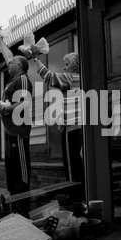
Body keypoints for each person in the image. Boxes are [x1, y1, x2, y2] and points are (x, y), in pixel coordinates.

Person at [30, 47, 85, 201]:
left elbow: (49, 76)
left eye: (66, 64)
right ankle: (82, 196)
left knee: (72, 165)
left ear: (73, 66)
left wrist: (36, 58)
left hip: (73, 128)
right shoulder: (83, 80)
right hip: (81, 126)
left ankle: (77, 199)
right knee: (77, 162)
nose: (64, 67)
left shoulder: (70, 77)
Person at [0, 29, 33, 199]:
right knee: (11, 168)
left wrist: (5, 109)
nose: (8, 64)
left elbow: (25, 102)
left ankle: (23, 202)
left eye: (12, 64)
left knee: (20, 169)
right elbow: (8, 56)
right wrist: (0, 40)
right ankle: (14, 201)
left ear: (19, 66)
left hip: (19, 132)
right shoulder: (12, 81)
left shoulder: (22, 79)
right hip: (10, 132)